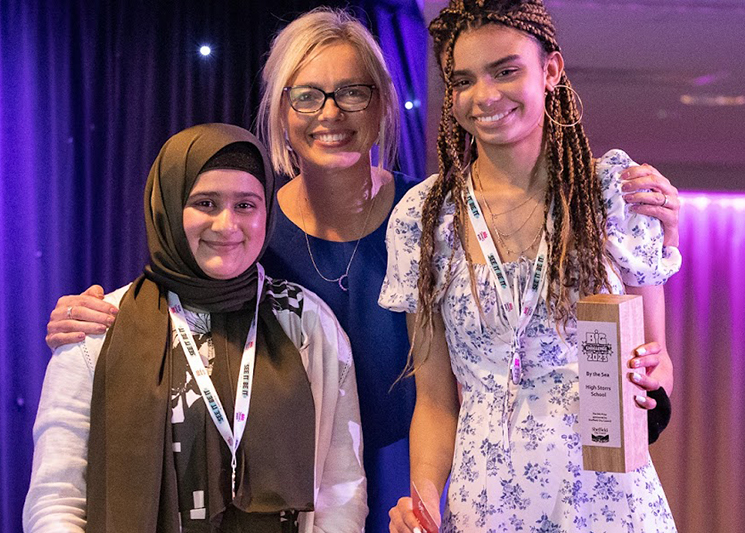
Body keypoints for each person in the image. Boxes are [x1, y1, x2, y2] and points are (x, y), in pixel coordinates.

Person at [40, 8, 680, 531]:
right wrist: (100, 316)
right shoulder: (254, 230)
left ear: (382, 106)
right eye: (308, 95)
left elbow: (642, 359)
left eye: (353, 92)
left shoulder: (423, 210)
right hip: (302, 490)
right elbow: (180, 307)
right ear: (282, 111)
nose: (330, 113)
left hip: (434, 481)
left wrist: (657, 285)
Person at [381, 1, 680, 532]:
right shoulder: (425, 217)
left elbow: (656, 364)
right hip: (486, 503)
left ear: (550, 71)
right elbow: (434, 403)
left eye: (506, 71)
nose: (485, 96)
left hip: (606, 499)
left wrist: (655, 376)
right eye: (463, 80)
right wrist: (422, 498)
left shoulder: (611, 191)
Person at [23, 124, 367, 533]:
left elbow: (341, 491)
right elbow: (56, 500)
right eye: (205, 203)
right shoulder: (98, 327)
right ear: (167, 207)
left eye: (246, 205)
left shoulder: (308, 323)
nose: (226, 225)